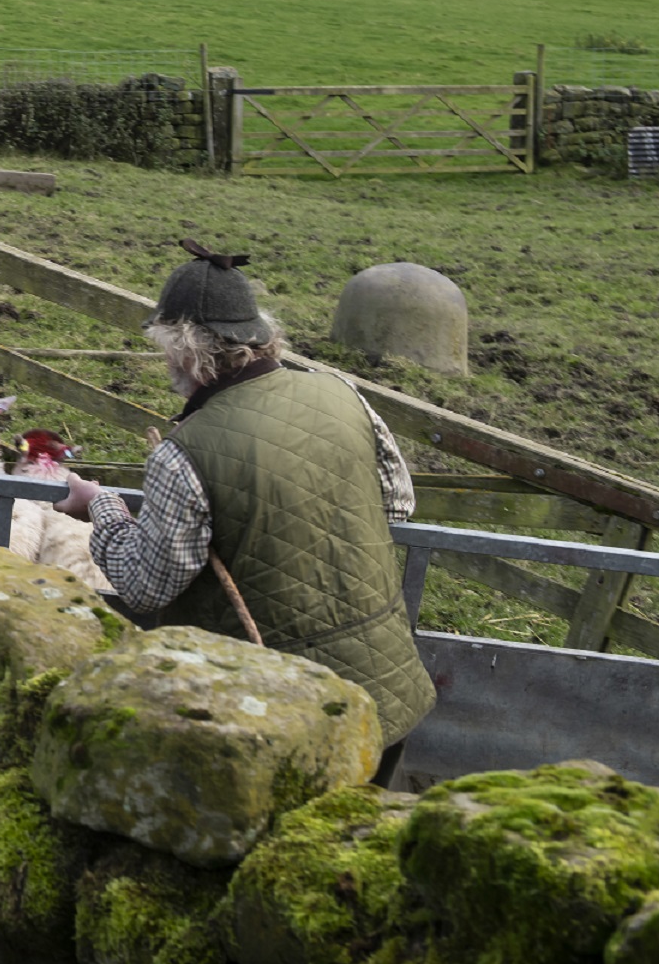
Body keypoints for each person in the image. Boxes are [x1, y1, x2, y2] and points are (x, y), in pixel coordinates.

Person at [50, 239, 436, 781]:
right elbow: (397, 504)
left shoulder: (185, 453)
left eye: (165, 349)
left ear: (185, 349)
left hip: (284, 713)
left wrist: (103, 507)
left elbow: (144, 585)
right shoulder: (341, 392)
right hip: (389, 694)